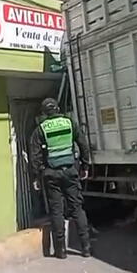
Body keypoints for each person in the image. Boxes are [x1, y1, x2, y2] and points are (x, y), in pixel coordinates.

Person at [30, 98, 92, 259]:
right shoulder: (70, 122)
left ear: (44, 112)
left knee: (57, 211)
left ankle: (60, 251)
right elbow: (83, 145)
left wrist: (37, 176)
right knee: (77, 208)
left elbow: (35, 156)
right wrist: (85, 166)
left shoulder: (40, 129)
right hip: (71, 171)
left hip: (52, 174)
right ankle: (86, 248)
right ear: (57, 109)